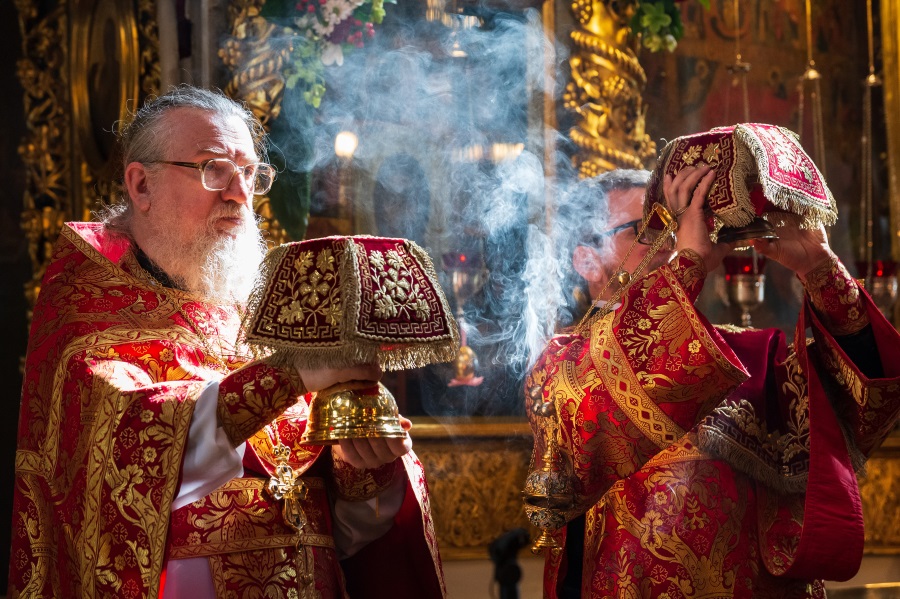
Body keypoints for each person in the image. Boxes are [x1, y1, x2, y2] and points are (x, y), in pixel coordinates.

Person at [8, 85, 445, 598]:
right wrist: (290, 375)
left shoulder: (261, 316)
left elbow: (340, 534)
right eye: (214, 168)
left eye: (250, 173)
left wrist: (362, 469)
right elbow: (130, 448)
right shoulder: (91, 310)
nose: (239, 193)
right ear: (141, 185)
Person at [525, 167, 900, 598]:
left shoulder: (750, 357)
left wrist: (819, 267)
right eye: (648, 229)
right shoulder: (562, 365)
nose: (671, 241)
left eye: (678, 226)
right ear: (586, 260)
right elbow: (596, 416)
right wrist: (687, 266)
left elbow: (864, 408)